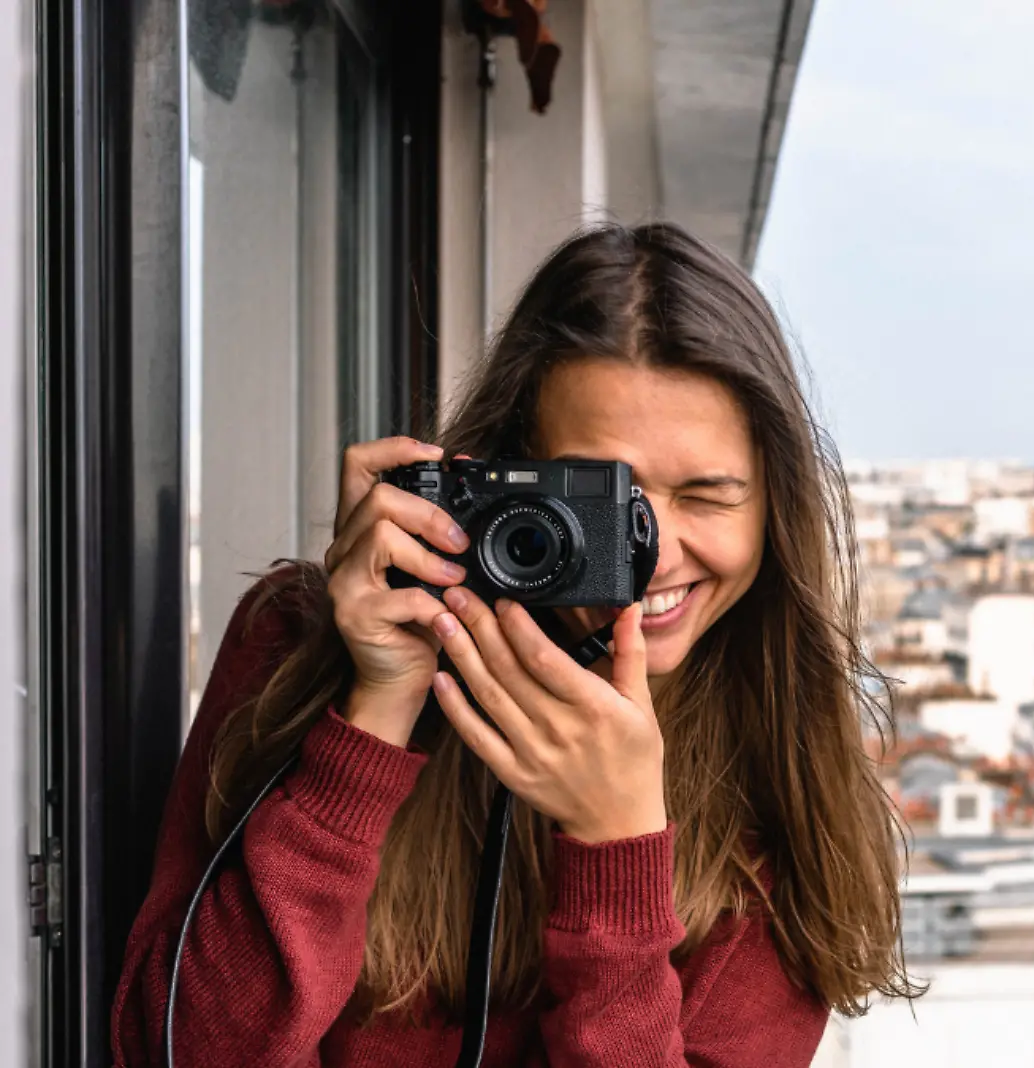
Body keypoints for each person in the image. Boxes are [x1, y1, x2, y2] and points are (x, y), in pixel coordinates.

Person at [112, 222, 918, 1066]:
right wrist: (372, 712)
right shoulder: (294, 642)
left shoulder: (781, 791)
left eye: (707, 497)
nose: (653, 554)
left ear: (771, 510)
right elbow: (174, 1049)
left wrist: (619, 853)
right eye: (603, 500)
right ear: (500, 475)